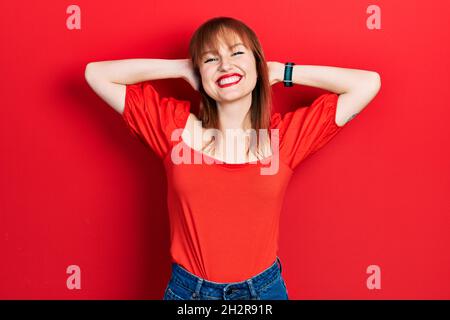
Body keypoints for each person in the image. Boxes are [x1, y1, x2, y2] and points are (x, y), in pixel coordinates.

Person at [84, 16, 381, 300]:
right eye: (211, 59)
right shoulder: (174, 130)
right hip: (190, 293)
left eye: (237, 53)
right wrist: (182, 68)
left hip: (263, 293)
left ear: (257, 63)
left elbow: (367, 83)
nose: (225, 65)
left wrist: (281, 71)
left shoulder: (284, 140)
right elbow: (96, 74)